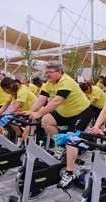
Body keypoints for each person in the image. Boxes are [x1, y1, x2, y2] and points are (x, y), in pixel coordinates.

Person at [26, 61, 93, 190]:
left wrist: (38, 113)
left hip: (81, 113)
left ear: (59, 73)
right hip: (65, 113)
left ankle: (69, 173)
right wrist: (31, 112)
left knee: (70, 139)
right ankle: (61, 147)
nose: (47, 75)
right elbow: (41, 99)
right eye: (46, 73)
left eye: (50, 72)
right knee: (46, 120)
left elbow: (56, 101)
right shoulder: (48, 84)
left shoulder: (66, 81)